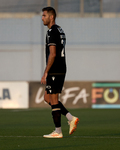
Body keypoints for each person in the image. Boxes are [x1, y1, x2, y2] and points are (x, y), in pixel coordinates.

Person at [41, 6, 79, 138]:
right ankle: (70, 118)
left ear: (51, 17)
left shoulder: (51, 31)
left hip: (55, 69)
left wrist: (46, 72)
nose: (42, 18)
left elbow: (52, 54)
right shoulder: (60, 30)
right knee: (47, 98)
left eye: (44, 16)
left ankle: (58, 131)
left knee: (54, 99)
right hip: (61, 67)